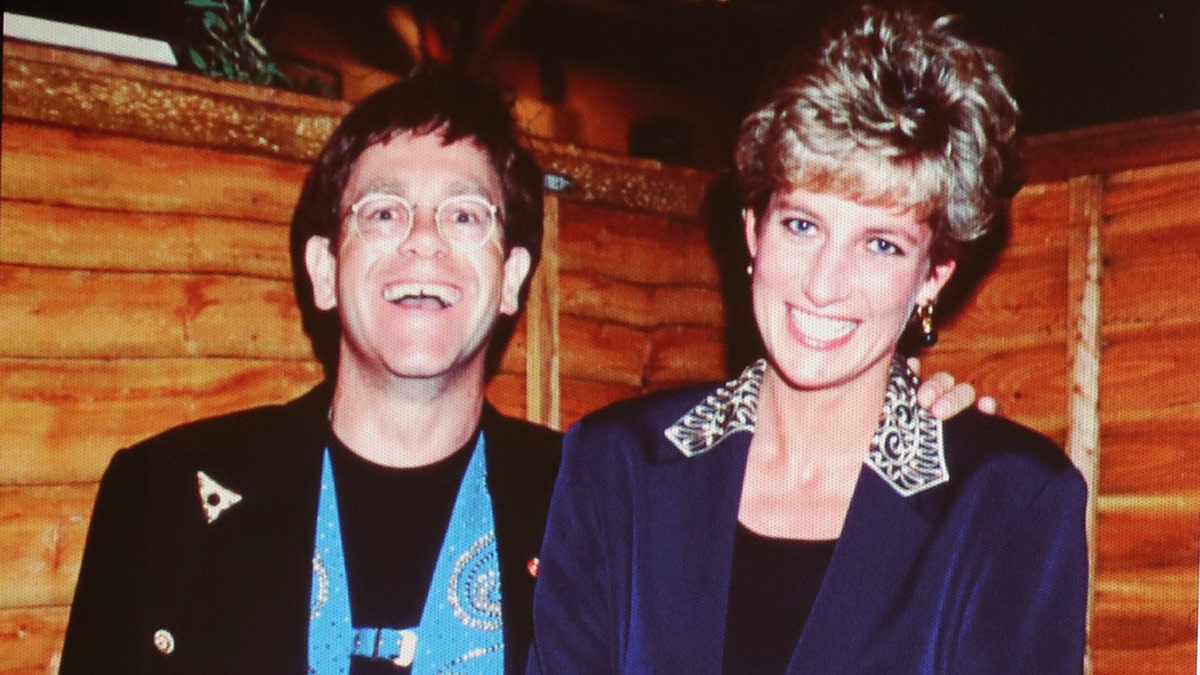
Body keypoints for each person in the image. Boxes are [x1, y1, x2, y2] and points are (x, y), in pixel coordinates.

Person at [58, 63, 985, 674]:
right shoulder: (163, 497)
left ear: (510, 280)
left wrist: (900, 413)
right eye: (382, 213)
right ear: (322, 271)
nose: (422, 243)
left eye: (466, 217)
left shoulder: (608, 499)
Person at [527, 4, 1088, 674]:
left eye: (881, 243)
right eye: (802, 225)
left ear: (931, 276)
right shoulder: (614, 464)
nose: (824, 283)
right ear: (753, 230)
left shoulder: (1007, 500)